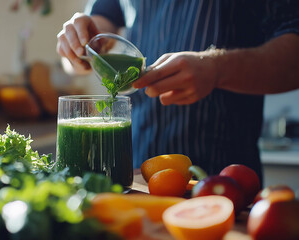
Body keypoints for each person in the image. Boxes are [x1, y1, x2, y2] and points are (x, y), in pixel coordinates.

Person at [56, 0, 299, 182]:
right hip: (140, 177)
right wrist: (76, 44)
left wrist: (217, 68)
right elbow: (96, 32)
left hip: (222, 180)